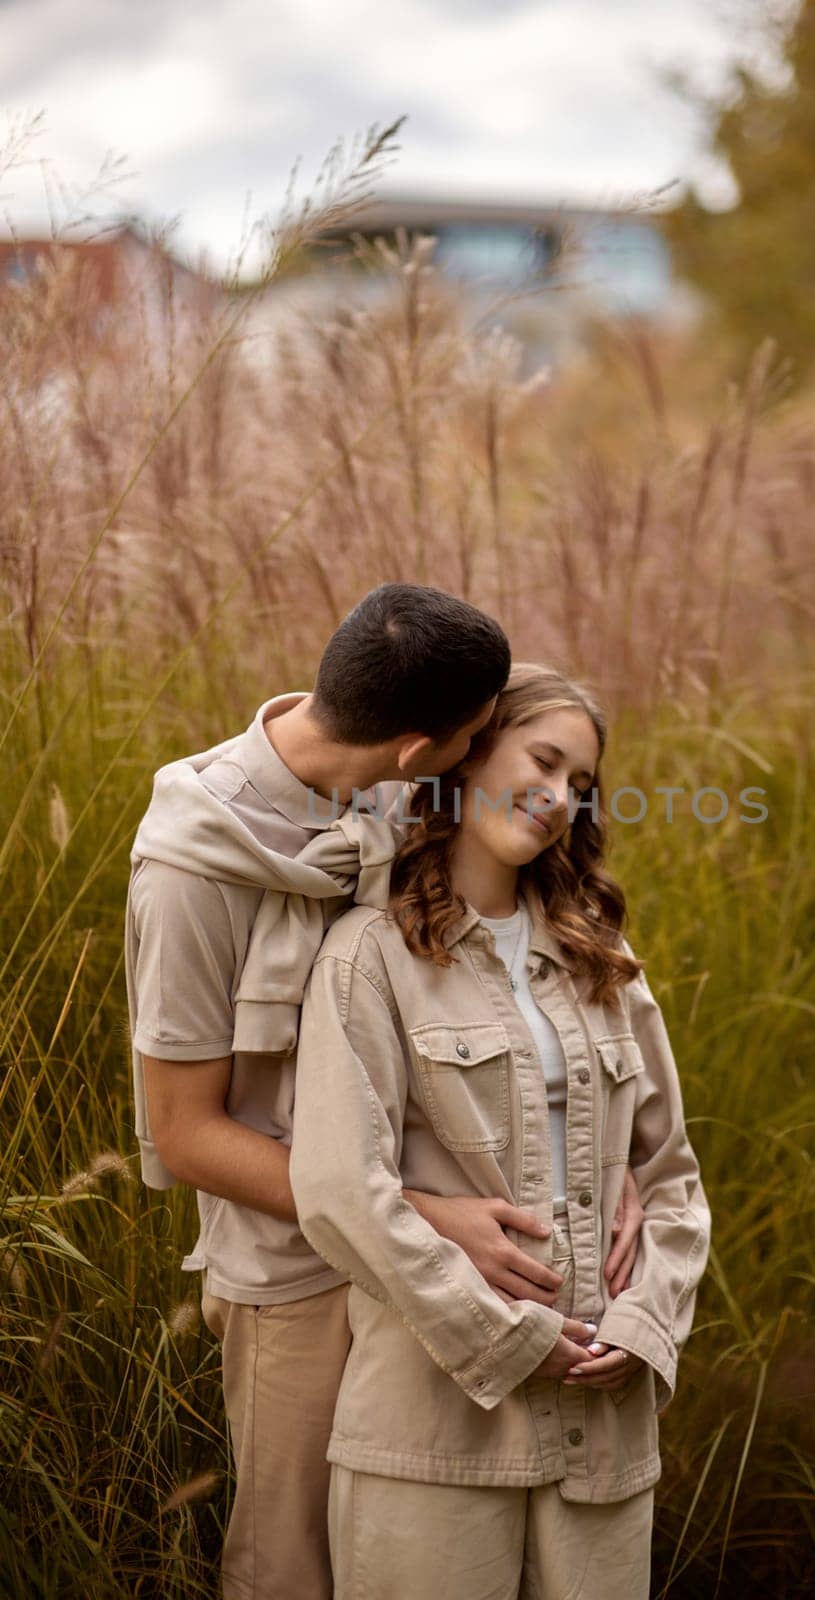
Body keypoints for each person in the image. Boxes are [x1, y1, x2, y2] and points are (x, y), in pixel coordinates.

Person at [124, 586, 646, 1600]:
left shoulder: (397, 783)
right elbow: (183, 1133)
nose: (490, 751)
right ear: (421, 749)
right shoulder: (193, 870)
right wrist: (418, 1212)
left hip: (451, 1263)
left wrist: (602, 1155)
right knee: (295, 1563)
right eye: (477, 735)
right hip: (299, 1271)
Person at [290, 661, 712, 1600]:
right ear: (471, 755)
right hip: (433, 1436)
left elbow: (672, 1179)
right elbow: (338, 1191)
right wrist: (506, 1336)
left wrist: (645, 1326)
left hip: (602, 1436)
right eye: (546, 760)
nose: (559, 797)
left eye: (582, 786)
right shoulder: (370, 957)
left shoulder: (607, 965)